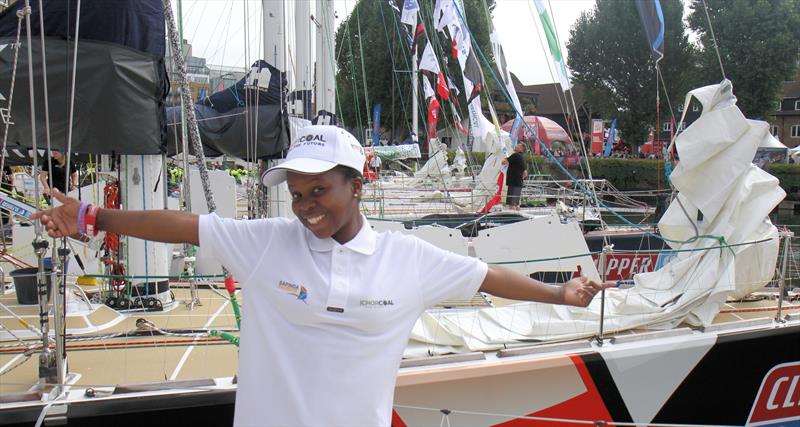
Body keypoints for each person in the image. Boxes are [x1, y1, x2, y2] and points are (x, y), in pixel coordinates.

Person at [33, 125, 609, 427]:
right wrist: (90, 216)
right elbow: (184, 226)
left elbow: (487, 276)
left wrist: (560, 292)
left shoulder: (408, 260)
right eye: (297, 194)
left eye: (320, 190)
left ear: (356, 184)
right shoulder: (265, 245)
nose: (307, 206)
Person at [501, 143, 528, 211]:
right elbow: (525, 173)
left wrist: (505, 158)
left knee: (511, 203)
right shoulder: (522, 157)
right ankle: (518, 214)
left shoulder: (515, 155)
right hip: (518, 183)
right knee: (516, 203)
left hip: (513, 183)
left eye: (518, 146)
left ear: (521, 149)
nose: (515, 146)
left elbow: (503, 162)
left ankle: (512, 216)